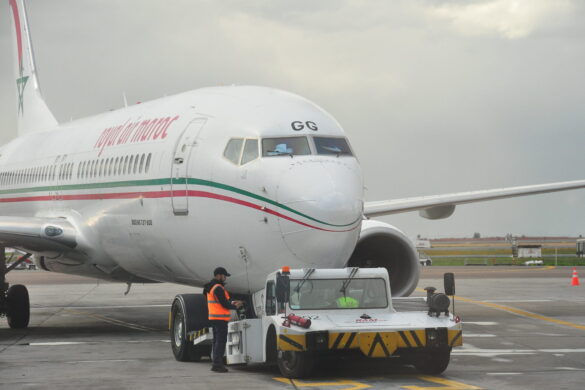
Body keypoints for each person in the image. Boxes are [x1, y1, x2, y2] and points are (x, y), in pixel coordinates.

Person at [203, 267, 243, 373]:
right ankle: (217, 365)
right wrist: (236, 306)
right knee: (220, 342)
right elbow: (224, 304)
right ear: (219, 275)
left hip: (214, 318)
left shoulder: (212, 286)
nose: (225, 278)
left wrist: (234, 302)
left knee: (216, 341)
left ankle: (216, 363)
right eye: (224, 276)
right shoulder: (218, 288)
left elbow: (226, 300)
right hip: (220, 318)